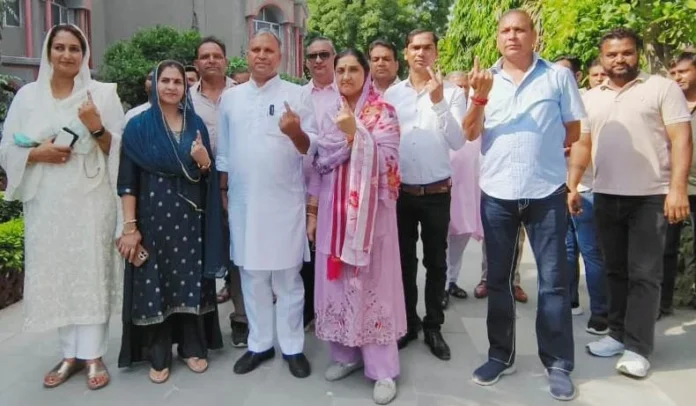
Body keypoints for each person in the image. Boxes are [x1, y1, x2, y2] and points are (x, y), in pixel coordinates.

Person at [465, 10, 585, 401]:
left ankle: (558, 363)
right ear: (497, 37)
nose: (512, 36)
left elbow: (573, 129)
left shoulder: (557, 77)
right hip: (497, 193)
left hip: (546, 192)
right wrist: (479, 97)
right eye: (505, 30)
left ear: (535, 35)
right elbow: (469, 132)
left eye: (520, 29)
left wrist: (547, 157)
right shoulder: (484, 79)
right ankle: (501, 355)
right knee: (498, 280)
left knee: (553, 282)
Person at [0, 24, 124, 390]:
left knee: (89, 272)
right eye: (59, 47)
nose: (67, 55)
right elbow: (7, 148)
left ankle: (94, 354)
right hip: (48, 201)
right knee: (59, 273)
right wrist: (39, 153)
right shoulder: (26, 97)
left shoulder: (102, 95)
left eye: (75, 48)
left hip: (91, 198)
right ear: (48, 52)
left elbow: (119, 149)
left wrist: (96, 126)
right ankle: (69, 353)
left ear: (85, 54)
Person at [570, 29, 692, 379]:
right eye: (612, 54)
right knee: (615, 269)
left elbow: (681, 139)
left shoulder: (662, 89)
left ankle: (638, 348)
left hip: (651, 197)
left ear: (637, 53)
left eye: (626, 53)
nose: (619, 60)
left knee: (644, 274)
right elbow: (582, 144)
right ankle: (617, 334)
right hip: (606, 195)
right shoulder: (591, 97)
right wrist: (573, 184)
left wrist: (677, 189)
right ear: (602, 57)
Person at [216, 29, 318, 378]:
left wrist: (294, 132)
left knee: (288, 279)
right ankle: (260, 344)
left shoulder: (297, 96)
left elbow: (310, 148)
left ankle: (292, 346)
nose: (262, 55)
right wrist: (224, 194)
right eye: (256, 49)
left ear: (280, 56)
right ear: (247, 54)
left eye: (269, 50)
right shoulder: (230, 99)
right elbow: (225, 154)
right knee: (252, 276)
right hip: (245, 204)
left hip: (285, 202)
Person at [116, 60, 226, 383]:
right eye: (165, 80)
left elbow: (206, 173)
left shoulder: (196, 126)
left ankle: (193, 347)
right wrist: (130, 226)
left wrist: (205, 163)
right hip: (152, 220)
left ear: (184, 87)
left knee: (190, 281)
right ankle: (159, 353)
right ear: (153, 83)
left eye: (178, 81)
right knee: (156, 284)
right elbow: (127, 181)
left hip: (191, 221)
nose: (171, 86)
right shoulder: (138, 127)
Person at [309, 48, 406, 405]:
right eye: (340, 70)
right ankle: (345, 355)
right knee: (337, 285)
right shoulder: (331, 114)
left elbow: (392, 162)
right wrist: (313, 212)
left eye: (352, 69)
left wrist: (357, 135)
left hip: (371, 219)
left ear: (366, 74)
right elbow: (319, 164)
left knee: (373, 287)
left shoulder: (384, 112)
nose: (345, 76)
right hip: (335, 216)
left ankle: (383, 370)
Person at [384, 29, 466, 361]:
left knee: (436, 262)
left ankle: (434, 325)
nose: (421, 53)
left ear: (436, 52)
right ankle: (407, 323)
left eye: (427, 47)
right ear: (405, 53)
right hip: (401, 194)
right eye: (415, 48)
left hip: (436, 192)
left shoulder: (452, 93)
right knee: (403, 262)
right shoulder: (392, 95)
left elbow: (459, 142)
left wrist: (439, 103)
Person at [190, 36, 248, 347]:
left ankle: (241, 318)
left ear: (225, 60)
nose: (211, 60)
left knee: (238, 252)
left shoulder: (241, 95)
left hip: (237, 183)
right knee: (200, 250)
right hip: (196, 185)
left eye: (216, 55)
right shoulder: (186, 99)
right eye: (204, 56)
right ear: (196, 63)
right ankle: (201, 320)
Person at [554, 56, 609, 333]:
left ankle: (600, 313)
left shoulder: (592, 102)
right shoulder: (554, 100)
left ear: (576, 77)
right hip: (558, 187)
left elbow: (586, 144)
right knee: (565, 250)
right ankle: (570, 300)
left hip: (587, 188)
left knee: (591, 252)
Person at [301, 35, 340, 330]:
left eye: (324, 55)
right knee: (304, 248)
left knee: (329, 249)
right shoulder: (299, 95)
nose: (318, 61)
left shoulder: (346, 94)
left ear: (334, 57)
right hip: (299, 183)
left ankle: (332, 308)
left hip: (336, 185)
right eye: (312, 56)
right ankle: (308, 312)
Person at [661, 52, 696, 320]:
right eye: (673, 73)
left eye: (683, 72)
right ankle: (663, 303)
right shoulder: (670, 105)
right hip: (673, 186)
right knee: (665, 247)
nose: (677, 77)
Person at [443, 70, 481, 308]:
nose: (461, 90)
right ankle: (443, 285)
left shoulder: (477, 114)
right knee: (444, 240)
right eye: (457, 85)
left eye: (465, 86)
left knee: (461, 237)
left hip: (469, 187)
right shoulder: (442, 115)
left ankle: (453, 280)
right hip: (446, 186)